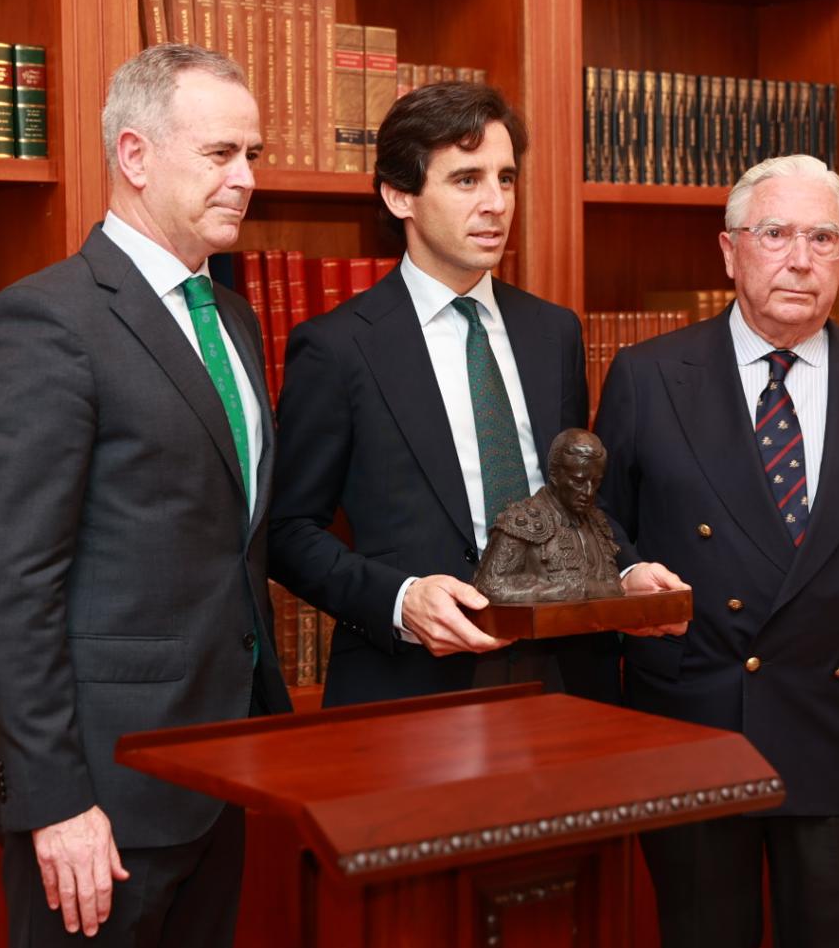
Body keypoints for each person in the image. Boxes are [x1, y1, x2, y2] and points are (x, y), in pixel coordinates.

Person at [594, 154, 839, 948]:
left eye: (823, 238)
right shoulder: (649, 376)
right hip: (692, 721)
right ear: (729, 251)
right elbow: (598, 523)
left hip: (835, 723)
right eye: (775, 234)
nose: (800, 259)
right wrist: (632, 576)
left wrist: (829, 602)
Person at [0, 44, 291, 947]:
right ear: (135, 156)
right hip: (99, 798)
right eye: (221, 154)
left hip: (221, 768)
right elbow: (11, 584)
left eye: (252, 154)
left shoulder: (230, 316)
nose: (246, 178)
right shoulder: (46, 320)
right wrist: (57, 800)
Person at [269, 81, 664, 707]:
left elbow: (574, 503)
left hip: (567, 673)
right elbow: (287, 530)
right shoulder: (338, 347)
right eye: (466, 180)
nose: (496, 204)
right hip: (413, 681)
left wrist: (627, 572)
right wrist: (400, 600)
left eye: (505, 179)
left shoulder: (552, 331)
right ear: (400, 195)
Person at [475, 428, 624, 604]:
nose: (589, 492)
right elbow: (489, 587)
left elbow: (616, 587)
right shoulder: (522, 521)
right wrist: (564, 591)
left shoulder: (597, 520)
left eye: (596, 482)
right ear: (554, 475)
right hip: (535, 629)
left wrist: (584, 589)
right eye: (578, 481)